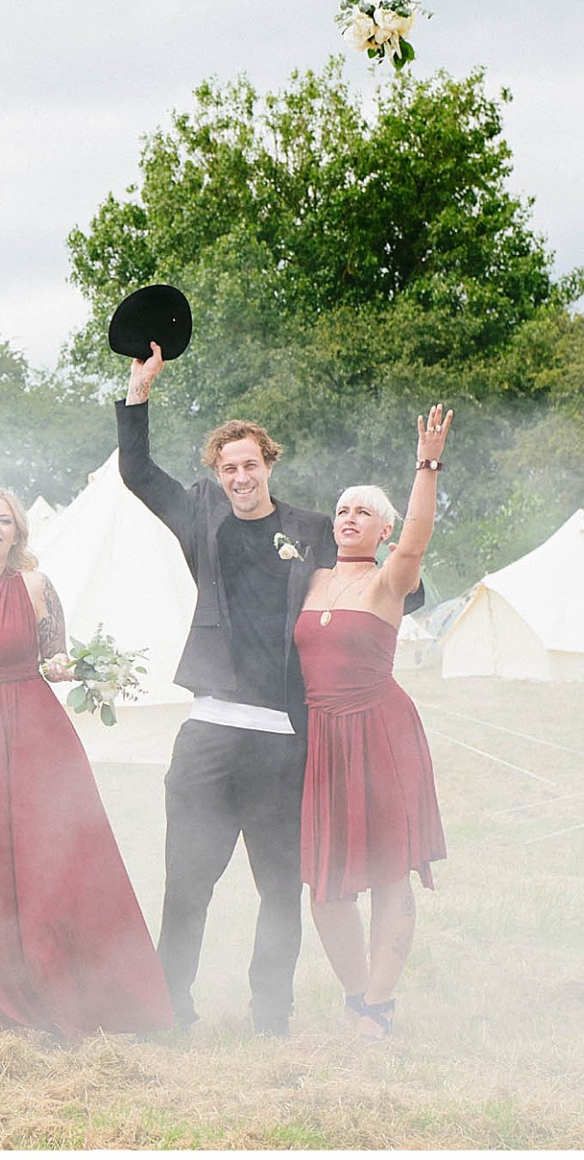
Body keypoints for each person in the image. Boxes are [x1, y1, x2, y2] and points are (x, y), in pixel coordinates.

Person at [118, 341, 423, 1035]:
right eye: (228, 468)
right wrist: (138, 394)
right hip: (209, 733)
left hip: (286, 742)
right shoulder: (197, 512)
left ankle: (271, 1017)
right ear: (217, 475)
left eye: (251, 464)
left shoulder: (315, 529)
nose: (240, 476)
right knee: (186, 885)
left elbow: (400, 583)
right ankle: (173, 1010)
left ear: (269, 465)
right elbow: (137, 472)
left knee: (282, 892)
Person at [0, 487, 172, 1037]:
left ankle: (71, 990)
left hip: (33, 732)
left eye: (4, 521)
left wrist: (78, 669)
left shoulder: (37, 587)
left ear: (18, 534)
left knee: (51, 857)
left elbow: (53, 656)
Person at [296, 406, 452, 1038]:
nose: (349, 518)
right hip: (323, 742)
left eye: (364, 511)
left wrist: (426, 464)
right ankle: (356, 994)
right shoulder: (306, 581)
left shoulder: (391, 579)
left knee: (389, 873)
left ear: (382, 530)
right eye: (342, 509)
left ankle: (379, 1009)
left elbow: (417, 535)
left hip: (380, 732)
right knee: (326, 888)